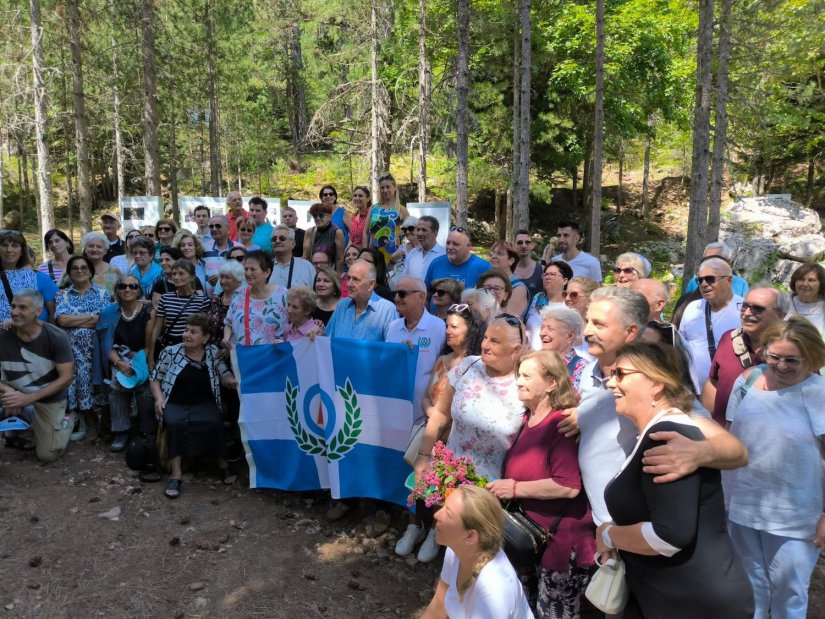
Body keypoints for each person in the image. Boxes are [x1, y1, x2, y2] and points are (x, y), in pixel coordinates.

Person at [596, 341, 753, 619]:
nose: (611, 383)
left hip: (694, 602)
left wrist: (608, 535)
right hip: (669, 597)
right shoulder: (656, 431)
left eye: (620, 373)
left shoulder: (666, 436)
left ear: (656, 383)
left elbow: (668, 536)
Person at [574, 286, 748, 532]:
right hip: (602, 524)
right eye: (587, 321)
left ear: (631, 331)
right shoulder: (588, 377)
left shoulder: (652, 384)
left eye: (599, 324)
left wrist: (700, 453)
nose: (588, 331)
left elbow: (736, 451)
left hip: (644, 531)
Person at [724, 316, 825, 619]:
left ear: (811, 356)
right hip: (741, 504)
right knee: (748, 587)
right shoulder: (748, 379)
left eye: (791, 360)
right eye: (773, 356)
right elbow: (729, 435)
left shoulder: (819, 393)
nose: (780, 366)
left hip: (795, 515)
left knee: (789, 593)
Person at [488, 351, 595, 617]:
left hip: (559, 544)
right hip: (530, 538)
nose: (518, 382)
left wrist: (513, 488)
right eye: (518, 376)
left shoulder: (561, 425)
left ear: (551, 383)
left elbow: (568, 485)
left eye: (526, 376)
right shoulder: (528, 418)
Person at [397, 303, 487, 563]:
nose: (448, 331)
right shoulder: (442, 360)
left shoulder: (478, 367)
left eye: (454, 326)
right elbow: (427, 396)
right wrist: (431, 413)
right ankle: (415, 526)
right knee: (416, 482)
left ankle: (435, 533)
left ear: (471, 330)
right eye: (446, 326)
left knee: (442, 489)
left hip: (454, 441)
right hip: (429, 433)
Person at [415, 315, 525, 483]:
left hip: (489, 489)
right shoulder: (468, 366)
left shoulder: (524, 382)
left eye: (495, 341)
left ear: (515, 349)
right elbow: (440, 415)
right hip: (447, 476)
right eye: (485, 338)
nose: (485, 345)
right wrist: (423, 456)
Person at [150, 313, 239, 499]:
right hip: (174, 401)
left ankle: (222, 464)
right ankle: (176, 474)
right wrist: (159, 398)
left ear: (205, 337)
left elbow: (224, 374)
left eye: (192, 332)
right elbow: (155, 378)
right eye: (185, 330)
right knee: (174, 423)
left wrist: (232, 380)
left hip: (204, 402)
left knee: (214, 421)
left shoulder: (213, 353)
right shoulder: (171, 352)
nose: (186, 334)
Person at [421, 485, 534, 619]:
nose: (436, 514)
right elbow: (438, 606)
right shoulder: (455, 550)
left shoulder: (493, 592)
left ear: (470, 536)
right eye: (444, 506)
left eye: (448, 513)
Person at [0, 289, 73, 462]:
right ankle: (16, 422)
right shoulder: (2, 333)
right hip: (14, 391)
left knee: (47, 455)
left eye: (23, 308)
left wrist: (27, 399)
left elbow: (66, 378)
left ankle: (68, 421)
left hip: (48, 397)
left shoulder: (56, 336)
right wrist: (8, 391)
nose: (15, 312)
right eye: (13, 306)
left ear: (38, 312)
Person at [701, 287, 788, 424]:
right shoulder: (728, 339)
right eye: (744, 306)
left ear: (780, 315)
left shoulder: (793, 351)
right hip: (724, 436)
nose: (747, 313)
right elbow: (713, 382)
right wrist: (707, 423)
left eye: (757, 308)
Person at [94, 274, 154, 453]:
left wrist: (136, 363)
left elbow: (150, 345)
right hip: (119, 358)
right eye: (123, 286)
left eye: (132, 286)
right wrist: (120, 363)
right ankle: (121, 431)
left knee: (145, 392)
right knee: (116, 388)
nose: (127, 289)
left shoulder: (149, 312)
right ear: (117, 291)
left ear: (139, 291)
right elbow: (107, 345)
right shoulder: (109, 313)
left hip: (143, 358)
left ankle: (146, 430)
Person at [55, 255, 113, 441]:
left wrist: (74, 321)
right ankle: (82, 420)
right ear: (70, 273)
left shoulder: (103, 293)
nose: (79, 271)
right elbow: (61, 320)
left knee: (96, 385)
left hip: (95, 351)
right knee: (75, 382)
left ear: (90, 271)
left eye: (83, 268)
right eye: (75, 268)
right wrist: (90, 317)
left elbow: (102, 321)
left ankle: (100, 424)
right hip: (71, 352)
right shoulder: (63, 295)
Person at [678, 257, 744, 392]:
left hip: (728, 392)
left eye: (710, 279)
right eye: (700, 280)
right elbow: (681, 345)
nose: (703, 284)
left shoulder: (745, 310)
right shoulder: (692, 308)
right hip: (691, 391)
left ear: (729, 281)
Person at [147, 260, 210, 367]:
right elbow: (157, 329)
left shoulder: (203, 301)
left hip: (192, 350)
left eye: (181, 273)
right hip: (169, 349)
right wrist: (151, 358)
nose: (176, 277)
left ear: (192, 277)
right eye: (174, 274)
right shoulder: (166, 298)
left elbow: (203, 331)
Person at [223, 250, 287, 347]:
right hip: (243, 356)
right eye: (246, 269)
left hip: (273, 356)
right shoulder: (239, 293)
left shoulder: (283, 295)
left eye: (253, 269)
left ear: (267, 272)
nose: (248, 273)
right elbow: (228, 323)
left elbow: (295, 323)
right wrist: (226, 339)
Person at [325, 260, 397, 341]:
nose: (349, 284)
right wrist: (317, 333)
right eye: (348, 278)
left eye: (355, 279)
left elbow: (392, 348)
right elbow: (327, 340)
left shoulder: (387, 310)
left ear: (371, 284)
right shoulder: (341, 306)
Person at [0, 230, 57, 323]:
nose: (9, 250)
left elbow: (54, 313)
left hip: (33, 335)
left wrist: (48, 336)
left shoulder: (39, 278)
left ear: (22, 251)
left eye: (14, 246)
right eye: (4, 245)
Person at [534, 307, 588, 391]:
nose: (542, 333)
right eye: (542, 327)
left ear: (570, 336)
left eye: (550, 329)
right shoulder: (533, 363)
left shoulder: (584, 369)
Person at [424, 227, 491, 292]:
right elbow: (427, 296)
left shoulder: (483, 267)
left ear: (468, 246)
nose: (450, 247)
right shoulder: (436, 263)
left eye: (455, 244)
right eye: (448, 243)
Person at [525, 261, 573, 345]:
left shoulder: (569, 304)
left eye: (552, 274)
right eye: (546, 274)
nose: (547, 277)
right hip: (530, 354)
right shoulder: (538, 298)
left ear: (565, 281)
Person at [366, 173, 410, 263]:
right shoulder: (374, 208)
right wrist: (365, 253)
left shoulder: (401, 209)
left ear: (394, 188)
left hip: (395, 255)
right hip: (375, 254)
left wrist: (409, 249)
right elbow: (365, 233)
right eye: (382, 188)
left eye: (388, 187)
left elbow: (412, 232)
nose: (385, 190)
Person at [489, 241, 529, 319]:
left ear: (511, 261)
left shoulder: (518, 288)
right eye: (493, 253)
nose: (493, 256)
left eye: (499, 253)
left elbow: (509, 319)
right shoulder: (486, 281)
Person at [206, 260, 245, 339]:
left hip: (235, 346)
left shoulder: (244, 301)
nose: (223, 281)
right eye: (222, 277)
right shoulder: (215, 300)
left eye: (227, 278)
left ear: (238, 280)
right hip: (213, 346)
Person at [268, 225, 316, 289]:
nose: (277, 241)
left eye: (282, 238)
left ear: (293, 244)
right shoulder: (265, 267)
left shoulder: (307, 267)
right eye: (274, 239)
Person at [303, 202, 345, 273]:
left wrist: (337, 278)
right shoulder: (310, 232)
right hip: (313, 271)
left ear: (329, 217)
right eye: (315, 216)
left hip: (330, 272)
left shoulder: (337, 232)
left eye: (321, 215)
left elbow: (340, 259)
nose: (318, 218)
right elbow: (305, 257)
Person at [787, 262, 825, 334]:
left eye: (811, 280)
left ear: (821, 284)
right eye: (801, 279)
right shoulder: (783, 303)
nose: (805, 284)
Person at [402, 215, 445, 281]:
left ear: (435, 233)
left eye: (424, 230)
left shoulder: (444, 255)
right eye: (418, 229)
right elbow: (404, 278)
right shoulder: (412, 253)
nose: (419, 233)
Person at [82, 232, 122, 296]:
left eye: (99, 247)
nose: (94, 249)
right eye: (91, 246)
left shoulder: (115, 271)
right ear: (85, 249)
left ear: (105, 250)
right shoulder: (77, 270)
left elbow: (121, 294)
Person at [513, 230, 543, 302]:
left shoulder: (542, 270)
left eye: (527, 242)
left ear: (532, 245)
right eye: (520, 242)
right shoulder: (507, 270)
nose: (524, 245)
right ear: (514, 245)